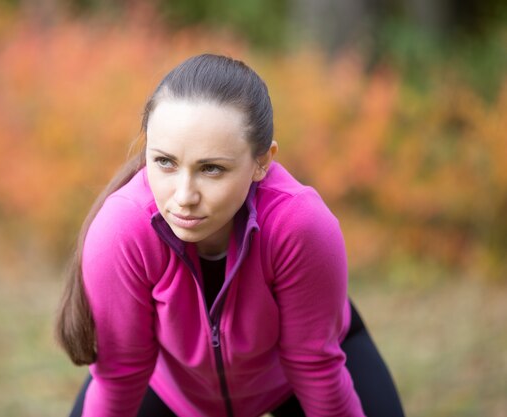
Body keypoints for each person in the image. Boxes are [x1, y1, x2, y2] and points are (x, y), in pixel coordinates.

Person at [56, 54, 405, 417]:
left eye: (211, 169)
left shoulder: (299, 225)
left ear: (262, 162)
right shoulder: (122, 229)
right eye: (164, 162)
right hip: (169, 383)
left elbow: (314, 368)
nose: (184, 196)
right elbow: (121, 373)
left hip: (297, 371)